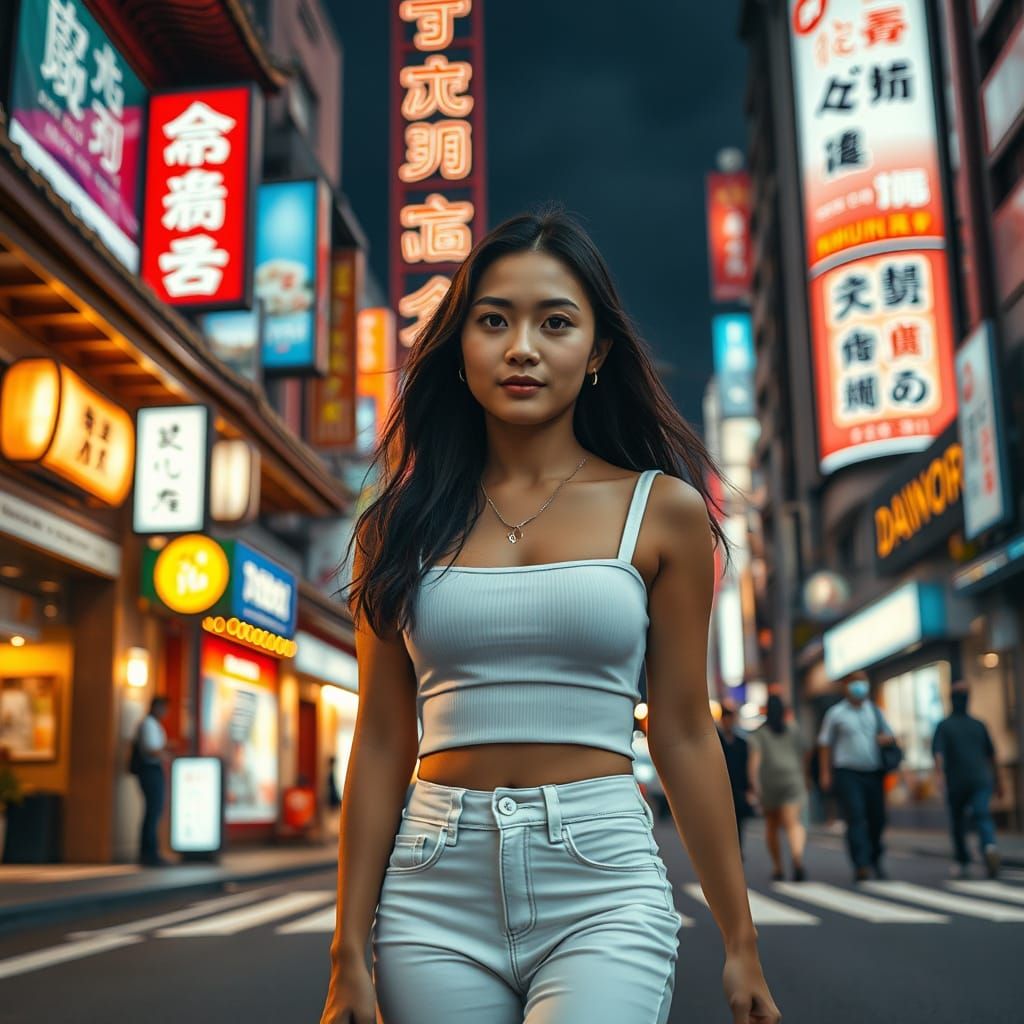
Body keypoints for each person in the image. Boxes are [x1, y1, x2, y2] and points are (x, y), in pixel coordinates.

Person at [319, 210, 781, 1024]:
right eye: (493, 320)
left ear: (597, 350)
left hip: (601, 876)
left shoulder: (661, 511)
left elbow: (680, 730)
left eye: (555, 322)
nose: (521, 346)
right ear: (460, 348)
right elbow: (384, 736)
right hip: (433, 884)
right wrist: (346, 950)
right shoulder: (397, 525)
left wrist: (740, 939)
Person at [817, 673, 899, 884]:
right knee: (855, 817)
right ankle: (860, 864)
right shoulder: (836, 714)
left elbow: (890, 737)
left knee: (877, 819)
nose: (859, 687)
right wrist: (825, 773)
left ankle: (875, 858)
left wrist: (886, 739)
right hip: (848, 773)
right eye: (855, 683)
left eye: (862, 682)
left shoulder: (875, 711)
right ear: (846, 687)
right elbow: (825, 744)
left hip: (873, 772)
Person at [932, 682, 1002, 880]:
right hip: (980, 779)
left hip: (957, 782)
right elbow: (992, 756)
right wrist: (999, 781)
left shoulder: (944, 725)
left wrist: (939, 776)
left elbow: (938, 754)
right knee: (982, 815)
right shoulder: (979, 724)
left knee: (958, 822)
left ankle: (963, 860)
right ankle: (988, 846)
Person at [747, 695, 809, 882]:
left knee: (772, 825)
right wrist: (806, 777)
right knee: (793, 822)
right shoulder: (793, 730)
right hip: (793, 779)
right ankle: (797, 857)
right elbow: (805, 754)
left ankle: (777, 866)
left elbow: (754, 763)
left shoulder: (759, 734)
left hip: (769, 783)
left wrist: (754, 785)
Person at [716, 700, 755, 861]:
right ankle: (726, 850)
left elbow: (748, 767)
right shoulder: (715, 741)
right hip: (719, 787)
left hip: (738, 787)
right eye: (726, 718)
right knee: (722, 821)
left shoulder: (742, 743)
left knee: (739, 820)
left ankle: (737, 849)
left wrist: (750, 788)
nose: (729, 722)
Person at [135, 696, 171, 867]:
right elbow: (150, 749)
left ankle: (151, 852)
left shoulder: (153, 724)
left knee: (154, 811)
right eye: (164, 708)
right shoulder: (148, 724)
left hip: (151, 770)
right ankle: (149, 854)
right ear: (157, 707)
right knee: (153, 811)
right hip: (150, 771)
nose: (165, 712)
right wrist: (166, 754)